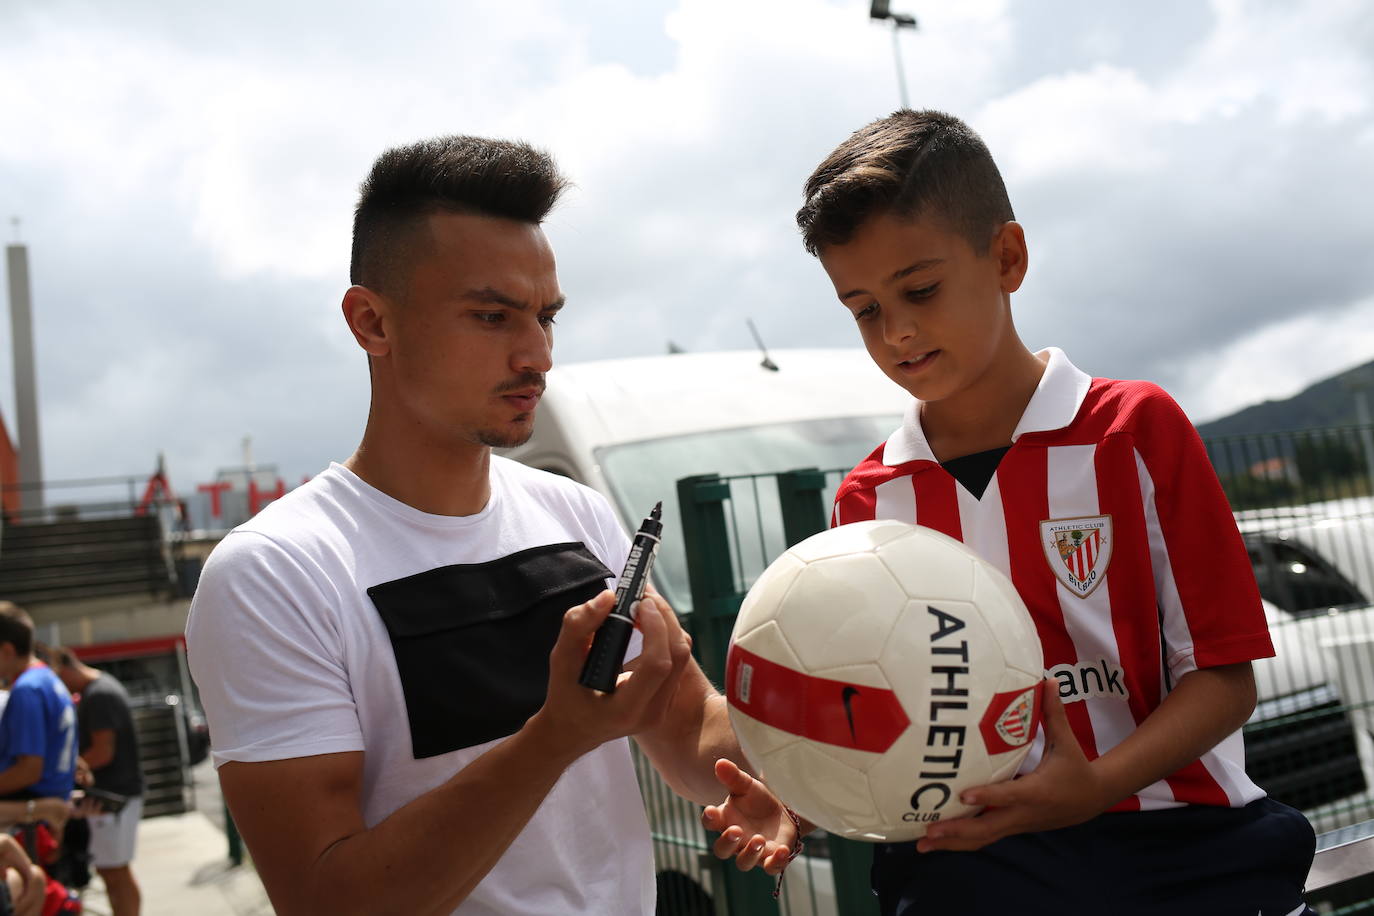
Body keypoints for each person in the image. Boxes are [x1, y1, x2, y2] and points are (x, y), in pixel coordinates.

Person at [706, 109, 1317, 915]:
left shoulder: (1132, 431)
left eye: (919, 289)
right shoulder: (870, 501)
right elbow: (882, 722)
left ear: (1007, 256)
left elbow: (1223, 680)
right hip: (978, 871)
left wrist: (1093, 786)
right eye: (862, 309)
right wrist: (805, 801)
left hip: (1180, 847)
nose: (897, 331)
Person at [184, 134, 797, 915]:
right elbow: (324, 897)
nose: (537, 354)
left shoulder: (573, 513)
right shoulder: (273, 573)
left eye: (545, 317)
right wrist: (553, 738)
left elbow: (687, 725)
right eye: (491, 315)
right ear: (372, 323)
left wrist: (794, 764)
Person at [53, 648, 141, 916]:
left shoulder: (99, 694)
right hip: (111, 796)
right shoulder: (99, 690)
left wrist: (64, 771)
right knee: (111, 870)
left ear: (64, 668)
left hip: (113, 797)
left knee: (115, 872)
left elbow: (103, 751)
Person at [0, 604, 76, 805]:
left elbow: (28, 770)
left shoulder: (27, 689)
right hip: (52, 803)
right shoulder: (47, 679)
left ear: (7, 650)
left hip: (33, 812)